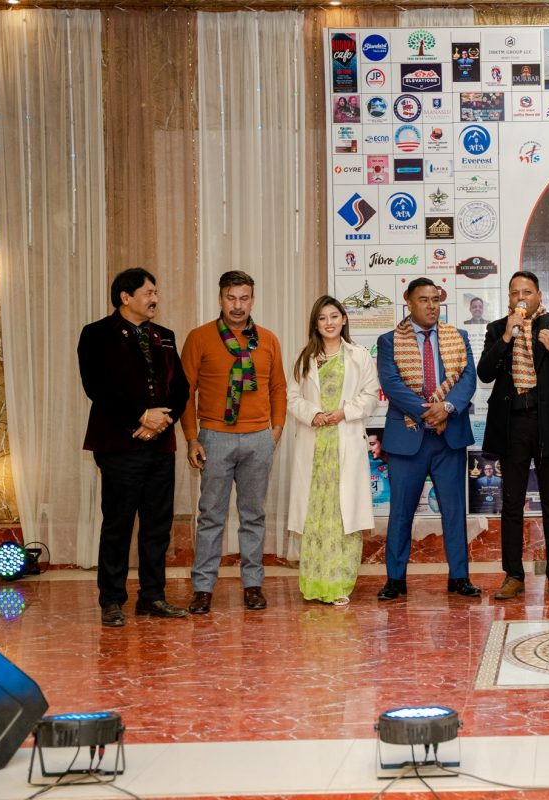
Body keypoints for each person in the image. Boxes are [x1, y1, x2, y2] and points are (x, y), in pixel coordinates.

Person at [78, 268, 190, 628]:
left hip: (161, 446)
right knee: (119, 524)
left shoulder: (165, 336)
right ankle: (112, 600)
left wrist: (163, 420)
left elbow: (181, 389)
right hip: (118, 445)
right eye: (148, 293)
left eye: (156, 292)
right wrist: (140, 417)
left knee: (157, 525)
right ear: (125, 297)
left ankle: (152, 597)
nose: (155, 299)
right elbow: (97, 386)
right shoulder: (96, 334)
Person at [477, 271, 549, 601]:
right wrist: (506, 338)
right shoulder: (497, 329)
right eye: (515, 293)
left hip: (548, 425)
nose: (521, 298)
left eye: (527, 292)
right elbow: (485, 373)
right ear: (509, 298)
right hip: (512, 425)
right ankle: (513, 576)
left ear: (539, 295)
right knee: (511, 504)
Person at [181, 270, 287, 614]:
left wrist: (275, 430)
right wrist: (192, 438)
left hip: (259, 439)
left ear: (252, 300)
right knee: (211, 516)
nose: (237, 306)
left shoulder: (267, 340)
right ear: (220, 299)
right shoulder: (199, 337)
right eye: (231, 298)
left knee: (253, 516)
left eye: (244, 298)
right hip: (215, 438)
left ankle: (253, 585)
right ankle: (203, 589)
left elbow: (278, 388)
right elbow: (185, 392)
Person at [375, 278, 478, 599]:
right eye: (424, 300)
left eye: (435, 299)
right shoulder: (389, 341)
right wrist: (428, 412)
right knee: (401, 513)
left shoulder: (457, 337)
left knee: (454, 512)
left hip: (449, 438)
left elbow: (468, 378)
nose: (432, 306)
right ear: (408, 301)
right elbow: (391, 384)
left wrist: (446, 407)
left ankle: (459, 577)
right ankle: (395, 579)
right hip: (408, 439)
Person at [286, 296, 380, 606]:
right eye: (322, 318)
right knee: (315, 515)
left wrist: (343, 413)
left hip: (345, 440)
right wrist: (313, 414)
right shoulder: (305, 358)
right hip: (314, 446)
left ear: (344, 319)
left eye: (334, 316)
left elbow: (370, 396)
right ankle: (314, 583)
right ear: (315, 324)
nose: (329, 322)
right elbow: (293, 398)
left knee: (343, 517)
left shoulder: (359, 356)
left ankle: (340, 584)